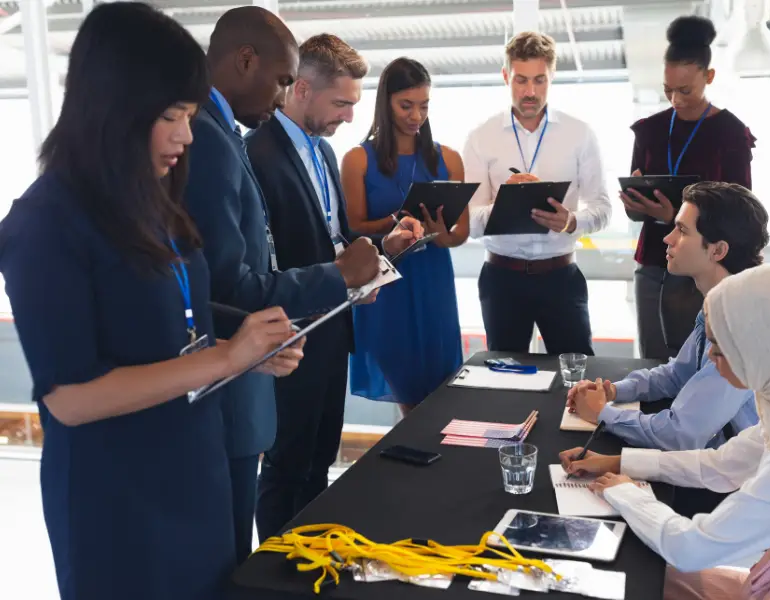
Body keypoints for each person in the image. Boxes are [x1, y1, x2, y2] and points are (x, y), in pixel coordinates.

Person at [0, 4, 304, 599]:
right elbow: (71, 398)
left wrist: (244, 354)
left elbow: (171, 339)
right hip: (119, 503)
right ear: (113, 108)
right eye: (171, 116)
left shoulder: (153, 204)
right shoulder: (44, 225)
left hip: (194, 472)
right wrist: (223, 360)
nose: (187, 135)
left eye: (190, 116)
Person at [245, 34, 423, 540]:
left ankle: (310, 562)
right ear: (301, 88)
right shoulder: (255, 153)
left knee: (320, 459)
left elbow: (336, 240)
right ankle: (275, 577)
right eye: (342, 103)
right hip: (287, 338)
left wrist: (383, 249)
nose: (349, 117)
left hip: (332, 329)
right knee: (286, 466)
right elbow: (262, 261)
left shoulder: (322, 153)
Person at [559, 264, 770, 600]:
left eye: (722, 345)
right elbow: (720, 464)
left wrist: (628, 494)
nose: (712, 357)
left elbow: (690, 548)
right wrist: (618, 462)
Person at [568, 182, 767, 452]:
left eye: (682, 230)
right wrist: (615, 391)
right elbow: (677, 375)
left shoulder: (742, 325)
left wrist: (602, 413)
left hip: (742, 479)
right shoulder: (719, 302)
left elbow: (680, 435)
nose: (668, 238)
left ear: (718, 250)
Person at [463, 31, 611, 355]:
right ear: (506, 76)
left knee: (577, 379)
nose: (530, 92)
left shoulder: (579, 134)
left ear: (552, 77)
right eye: (521, 80)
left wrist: (571, 221)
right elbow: (468, 222)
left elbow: (602, 208)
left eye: (540, 80)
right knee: (507, 381)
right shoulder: (480, 137)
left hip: (561, 276)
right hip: (501, 278)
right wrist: (504, 204)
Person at [625, 15, 756, 361]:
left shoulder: (730, 134)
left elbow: (742, 214)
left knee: (702, 361)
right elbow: (633, 208)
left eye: (685, 90)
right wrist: (635, 202)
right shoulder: (650, 130)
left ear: (708, 76)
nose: (676, 100)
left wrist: (675, 217)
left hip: (707, 265)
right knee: (653, 361)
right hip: (655, 259)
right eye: (668, 90)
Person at [341, 57, 466, 416]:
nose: (416, 116)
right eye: (406, 105)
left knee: (440, 398)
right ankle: (415, 463)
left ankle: (425, 465)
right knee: (409, 400)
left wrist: (440, 234)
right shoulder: (357, 160)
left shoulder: (450, 159)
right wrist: (394, 222)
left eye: (424, 106)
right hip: (387, 287)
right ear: (385, 103)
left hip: (434, 284)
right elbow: (353, 229)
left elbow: (459, 235)